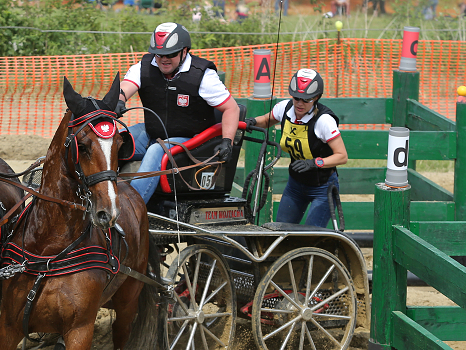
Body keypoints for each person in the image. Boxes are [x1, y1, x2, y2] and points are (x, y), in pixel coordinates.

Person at [117, 22, 240, 204]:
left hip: (190, 140)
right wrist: (120, 99)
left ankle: (130, 211)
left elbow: (232, 108)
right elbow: (124, 88)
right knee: (113, 141)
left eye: (171, 54)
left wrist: (227, 141)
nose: (164, 59)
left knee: (155, 152)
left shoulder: (202, 76)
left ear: (184, 51)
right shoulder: (144, 67)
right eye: (159, 55)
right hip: (152, 132)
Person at [244, 69, 348, 228]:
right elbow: (266, 120)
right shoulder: (285, 108)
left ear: (316, 98)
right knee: (279, 233)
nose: (300, 103)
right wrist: (251, 122)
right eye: (296, 98)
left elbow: (342, 156)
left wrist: (315, 163)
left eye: (306, 100)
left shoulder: (324, 120)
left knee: (309, 238)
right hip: (295, 185)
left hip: (322, 187)